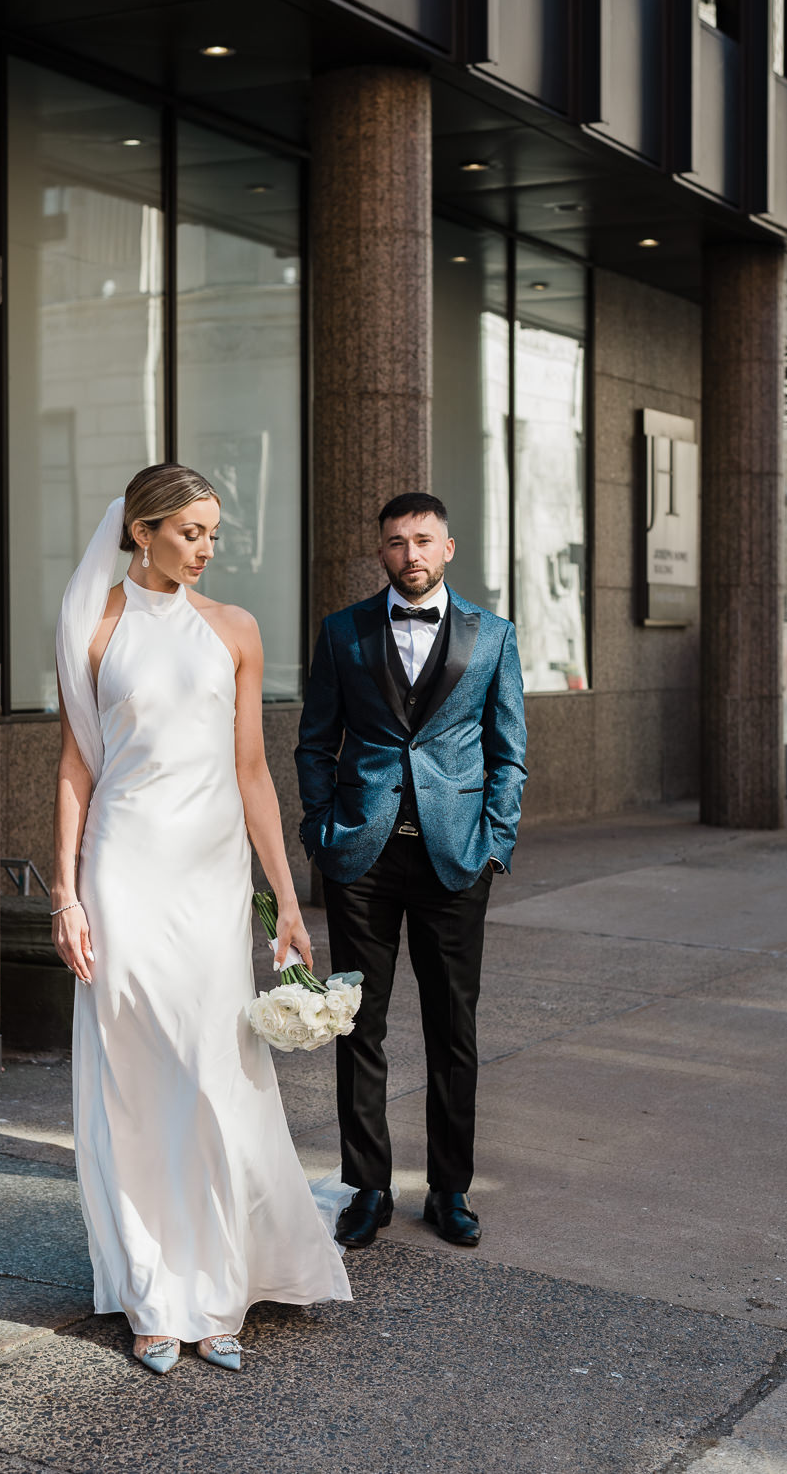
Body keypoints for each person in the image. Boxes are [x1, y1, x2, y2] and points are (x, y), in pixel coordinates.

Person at [52, 462, 350, 1376]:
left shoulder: (235, 630)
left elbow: (253, 770)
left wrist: (288, 901)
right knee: (135, 1080)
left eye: (215, 533)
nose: (208, 550)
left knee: (218, 1074)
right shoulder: (92, 623)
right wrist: (64, 893)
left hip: (213, 878)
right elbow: (75, 765)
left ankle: (219, 1289)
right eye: (192, 533)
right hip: (125, 869)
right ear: (141, 531)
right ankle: (152, 1293)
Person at [295, 491, 527, 1251]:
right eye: (396, 543)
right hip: (361, 859)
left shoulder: (491, 636)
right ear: (381, 551)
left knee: (451, 1030)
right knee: (358, 1026)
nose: (411, 555)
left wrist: (494, 841)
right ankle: (368, 1187)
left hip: (454, 859)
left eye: (423, 540)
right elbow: (313, 741)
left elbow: (507, 751)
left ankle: (451, 1190)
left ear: (448, 548)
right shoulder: (341, 632)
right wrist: (324, 829)